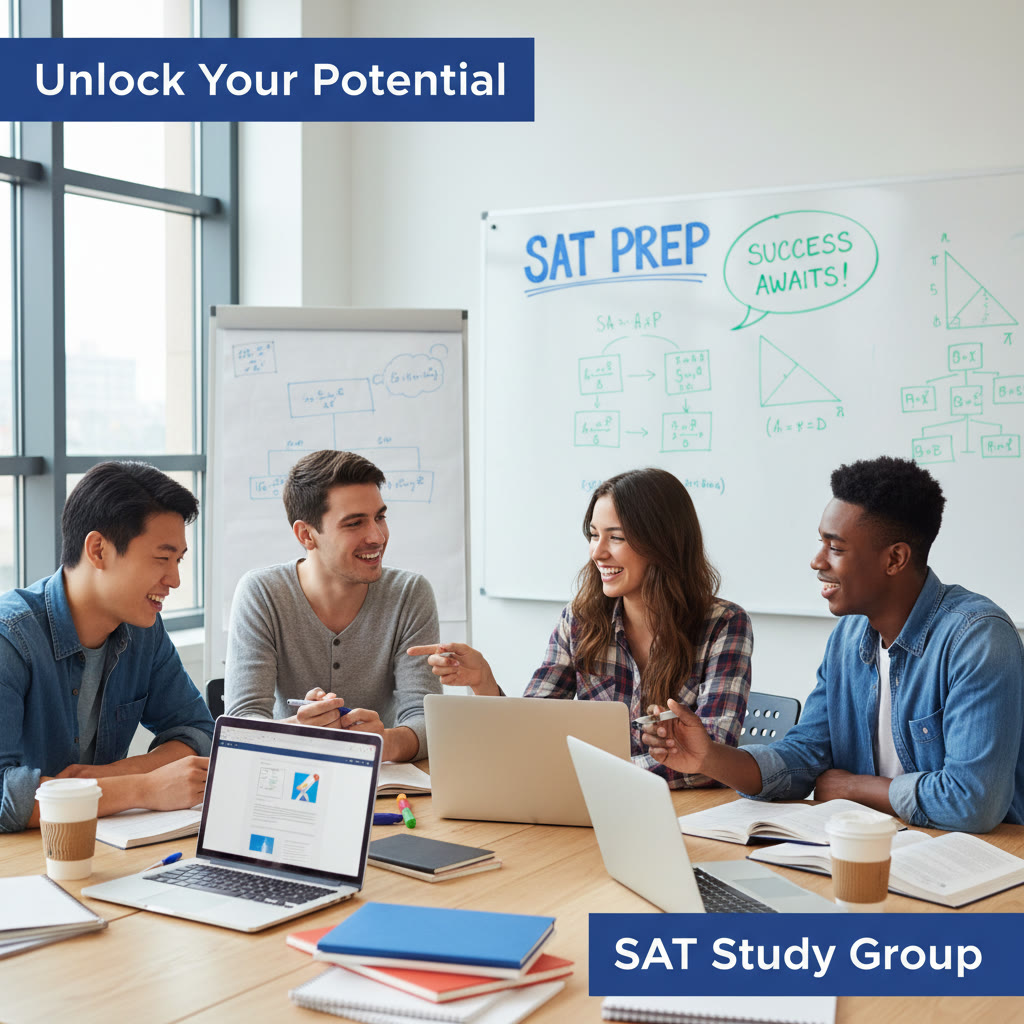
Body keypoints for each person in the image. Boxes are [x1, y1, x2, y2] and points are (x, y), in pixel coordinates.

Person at [643, 455, 1024, 833]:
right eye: (820, 543)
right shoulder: (848, 636)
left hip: (980, 855)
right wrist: (709, 758)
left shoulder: (978, 638)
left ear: (895, 559)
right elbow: (804, 755)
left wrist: (853, 789)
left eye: (836, 548)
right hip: (873, 842)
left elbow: (973, 802)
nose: (816, 561)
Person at [410, 467, 752, 787]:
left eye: (616, 538)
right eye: (593, 535)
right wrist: (484, 683)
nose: (597, 553)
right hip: (590, 799)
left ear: (662, 543)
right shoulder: (580, 620)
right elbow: (531, 731)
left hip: (683, 814)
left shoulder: (723, 625)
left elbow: (710, 758)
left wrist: (587, 773)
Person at [0, 462, 213, 833]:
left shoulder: (144, 631)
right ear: (98, 550)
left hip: (100, 843)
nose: (175, 579)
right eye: (162, 558)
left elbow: (197, 732)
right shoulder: (11, 638)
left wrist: (113, 775)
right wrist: (142, 788)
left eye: (178, 560)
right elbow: (2, 793)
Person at [225, 450, 441, 762]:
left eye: (380, 517)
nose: (377, 536)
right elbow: (242, 722)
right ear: (306, 534)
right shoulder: (262, 593)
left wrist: (384, 742)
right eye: (354, 523)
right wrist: (298, 730)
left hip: (383, 778)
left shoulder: (409, 594)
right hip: (287, 772)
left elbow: (427, 718)